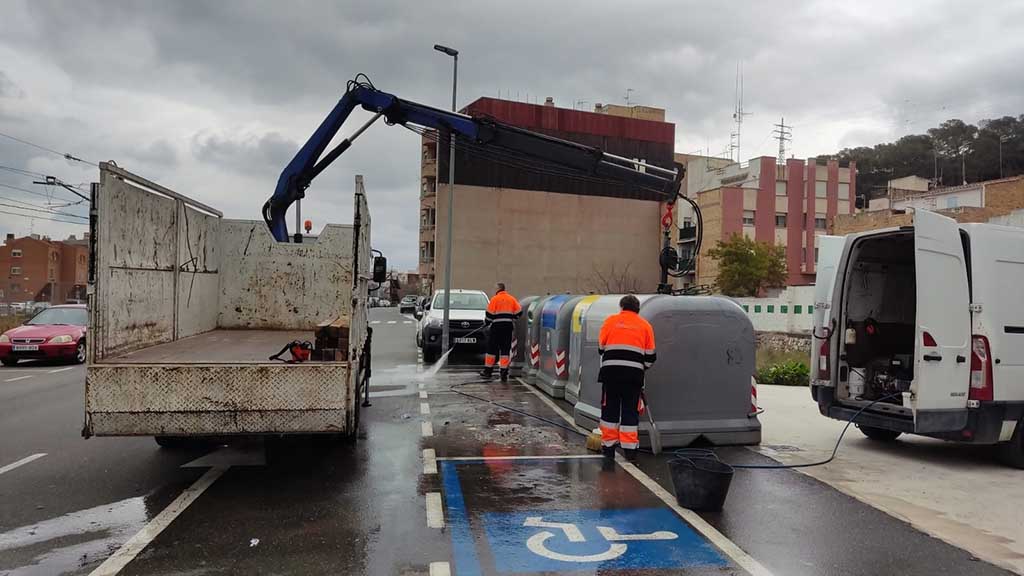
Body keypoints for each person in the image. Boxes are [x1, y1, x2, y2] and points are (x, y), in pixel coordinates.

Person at [597, 294, 656, 462]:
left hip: (610, 375)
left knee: (610, 410)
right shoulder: (645, 326)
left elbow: (601, 348)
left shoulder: (610, 321)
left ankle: (608, 447)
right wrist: (640, 367)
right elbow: (651, 357)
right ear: (638, 310)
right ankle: (630, 450)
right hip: (633, 377)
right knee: (630, 410)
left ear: (622, 307)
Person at [480, 282, 522, 382]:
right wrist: (512, 317)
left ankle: (488, 371)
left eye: (494, 288)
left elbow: (489, 315)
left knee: (492, 349)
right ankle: (504, 372)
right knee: (505, 349)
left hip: (496, 327)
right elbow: (519, 312)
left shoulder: (494, 299)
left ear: (498, 289)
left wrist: (486, 322)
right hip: (507, 327)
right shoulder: (511, 299)